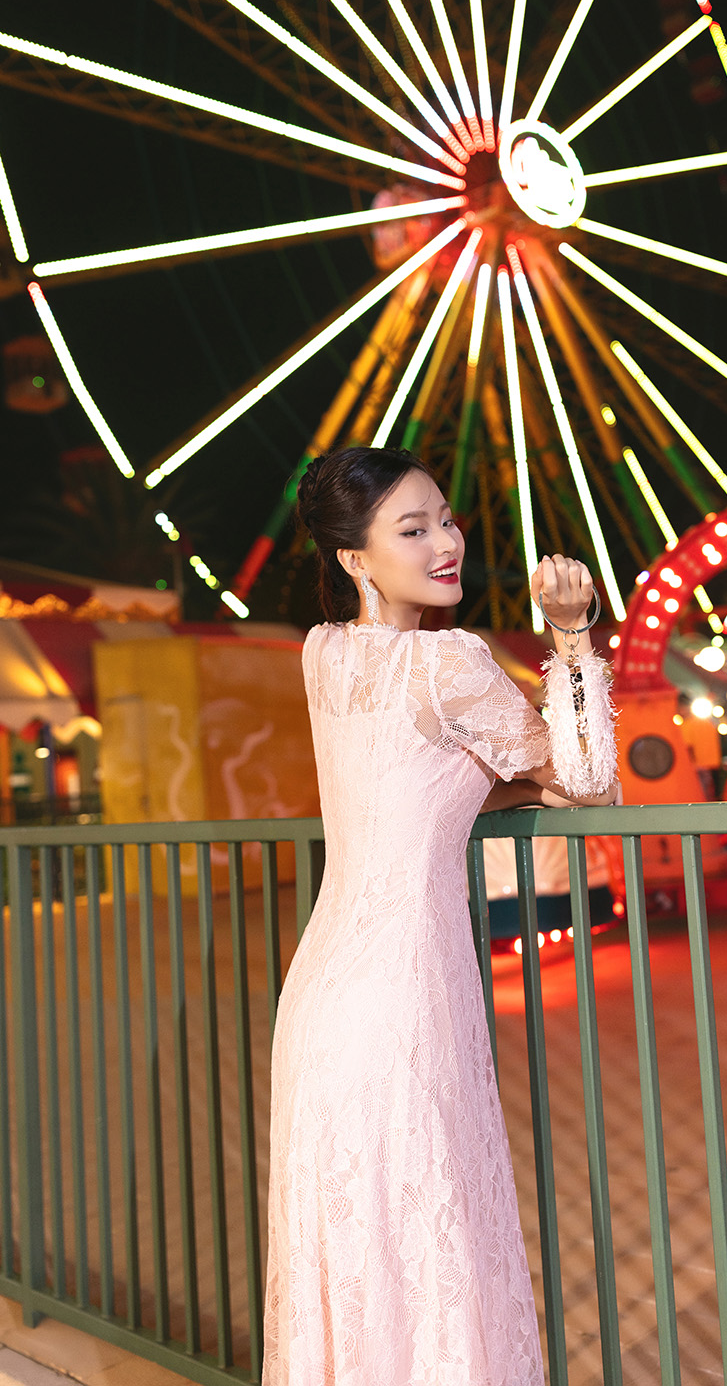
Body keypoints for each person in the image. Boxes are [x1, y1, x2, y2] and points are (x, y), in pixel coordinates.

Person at [263, 446, 618, 1385]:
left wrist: (496, 789)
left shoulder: (323, 652)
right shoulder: (451, 662)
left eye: (446, 520)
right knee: (430, 1247)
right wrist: (572, 635)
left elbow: (409, 784)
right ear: (356, 557)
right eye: (413, 529)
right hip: (404, 999)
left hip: (322, 996)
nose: (446, 543)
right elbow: (589, 779)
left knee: (355, 1256)